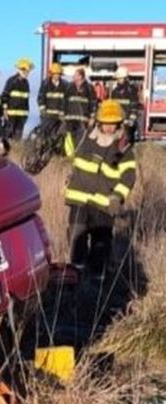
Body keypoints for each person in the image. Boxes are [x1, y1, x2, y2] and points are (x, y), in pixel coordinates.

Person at [62, 100, 137, 280]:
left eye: (113, 123)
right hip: (79, 199)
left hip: (104, 204)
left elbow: (128, 176)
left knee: (101, 242)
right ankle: (77, 274)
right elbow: (67, 148)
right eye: (106, 122)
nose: (109, 127)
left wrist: (117, 197)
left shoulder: (123, 148)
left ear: (119, 123)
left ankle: (97, 278)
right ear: (99, 121)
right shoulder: (83, 138)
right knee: (76, 235)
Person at [2, 58, 33, 139]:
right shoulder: (12, 81)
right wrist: (5, 110)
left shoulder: (26, 83)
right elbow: (4, 96)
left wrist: (26, 114)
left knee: (17, 137)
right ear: (20, 70)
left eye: (28, 72)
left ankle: (15, 150)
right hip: (11, 115)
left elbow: (26, 100)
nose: (27, 73)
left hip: (21, 116)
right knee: (7, 136)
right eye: (25, 71)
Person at [64, 68, 97, 143]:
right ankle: (70, 154)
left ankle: (79, 152)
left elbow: (93, 102)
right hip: (70, 119)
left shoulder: (89, 88)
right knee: (69, 138)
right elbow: (65, 101)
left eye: (75, 75)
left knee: (82, 138)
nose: (73, 76)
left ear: (80, 76)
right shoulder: (69, 87)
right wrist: (64, 114)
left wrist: (92, 117)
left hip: (83, 119)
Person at [109, 67, 141, 142]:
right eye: (117, 78)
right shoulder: (115, 90)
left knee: (128, 139)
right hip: (117, 119)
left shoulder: (131, 89)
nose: (118, 80)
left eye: (119, 78)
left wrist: (131, 118)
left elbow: (134, 104)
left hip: (127, 119)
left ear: (125, 78)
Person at [37, 62, 67, 127]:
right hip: (47, 114)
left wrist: (63, 111)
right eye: (55, 73)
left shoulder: (65, 85)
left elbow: (65, 100)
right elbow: (41, 97)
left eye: (58, 74)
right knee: (45, 133)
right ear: (51, 74)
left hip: (59, 115)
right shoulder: (45, 84)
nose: (56, 75)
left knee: (59, 133)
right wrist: (42, 109)